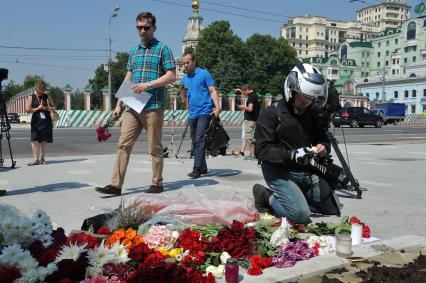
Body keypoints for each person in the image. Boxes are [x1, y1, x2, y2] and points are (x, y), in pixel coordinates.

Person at [96, 11, 176, 195]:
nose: (142, 31)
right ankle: (115, 185)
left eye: (146, 28)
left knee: (154, 147)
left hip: (153, 106)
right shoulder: (133, 51)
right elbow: (128, 77)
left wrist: (148, 84)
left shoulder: (163, 49)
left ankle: (157, 183)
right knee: (123, 144)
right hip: (132, 105)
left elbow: (172, 75)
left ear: (154, 28)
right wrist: (118, 103)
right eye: (139, 27)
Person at [253, 63, 341, 224]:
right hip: (279, 171)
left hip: (306, 169)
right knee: (300, 216)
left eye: (312, 98)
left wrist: (324, 147)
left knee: (331, 208)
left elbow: (322, 138)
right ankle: (266, 196)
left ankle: (295, 195)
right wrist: (292, 155)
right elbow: (261, 151)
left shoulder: (312, 113)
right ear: (291, 90)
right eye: (303, 97)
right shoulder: (271, 113)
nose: (307, 102)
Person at [180, 51, 221, 179]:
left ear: (194, 61)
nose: (185, 65)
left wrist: (218, 107)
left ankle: (196, 169)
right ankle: (203, 167)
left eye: (188, 62)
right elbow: (183, 98)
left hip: (204, 111)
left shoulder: (204, 74)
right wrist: (181, 92)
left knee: (199, 139)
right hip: (192, 113)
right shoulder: (184, 78)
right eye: (184, 63)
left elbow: (212, 90)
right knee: (195, 141)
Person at [25, 80, 55, 166]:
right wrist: (37, 108)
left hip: (46, 121)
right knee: (35, 140)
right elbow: (27, 110)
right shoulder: (31, 97)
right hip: (36, 121)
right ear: (36, 88)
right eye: (40, 89)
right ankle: (35, 159)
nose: (42, 91)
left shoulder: (47, 96)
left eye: (43, 89)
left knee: (44, 141)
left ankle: (42, 158)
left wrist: (49, 108)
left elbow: (54, 107)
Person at [235, 84, 260, 160]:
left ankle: (252, 155)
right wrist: (240, 90)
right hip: (255, 119)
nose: (243, 93)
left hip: (249, 120)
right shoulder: (256, 96)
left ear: (247, 90)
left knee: (249, 138)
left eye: (243, 91)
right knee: (253, 137)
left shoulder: (251, 97)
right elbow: (246, 95)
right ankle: (254, 154)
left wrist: (243, 107)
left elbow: (250, 109)